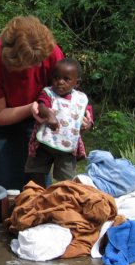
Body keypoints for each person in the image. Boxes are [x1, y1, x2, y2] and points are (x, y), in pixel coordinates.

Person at [0, 15, 64, 199]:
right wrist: (31, 108)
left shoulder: (51, 52)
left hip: (38, 116)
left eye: (41, 60)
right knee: (2, 181)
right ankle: (0, 222)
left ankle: (36, 221)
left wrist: (80, 114)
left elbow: (63, 93)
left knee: (37, 178)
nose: (40, 65)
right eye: (33, 63)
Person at [24, 58, 93, 187]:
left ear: (76, 83)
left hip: (67, 148)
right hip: (44, 143)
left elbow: (88, 115)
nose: (60, 82)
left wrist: (88, 124)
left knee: (66, 179)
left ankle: (62, 199)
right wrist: (50, 116)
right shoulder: (48, 93)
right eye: (56, 78)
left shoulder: (80, 99)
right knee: (36, 172)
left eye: (66, 79)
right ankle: (37, 193)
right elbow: (42, 105)